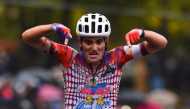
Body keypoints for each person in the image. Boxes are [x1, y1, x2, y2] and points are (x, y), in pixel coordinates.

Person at [21, 13, 167, 109]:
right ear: (80, 43)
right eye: (88, 42)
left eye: (99, 42)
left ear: (106, 42)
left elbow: (161, 43)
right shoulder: (68, 56)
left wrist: (142, 33)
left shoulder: (118, 57)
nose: (94, 48)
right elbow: (28, 37)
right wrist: (51, 27)